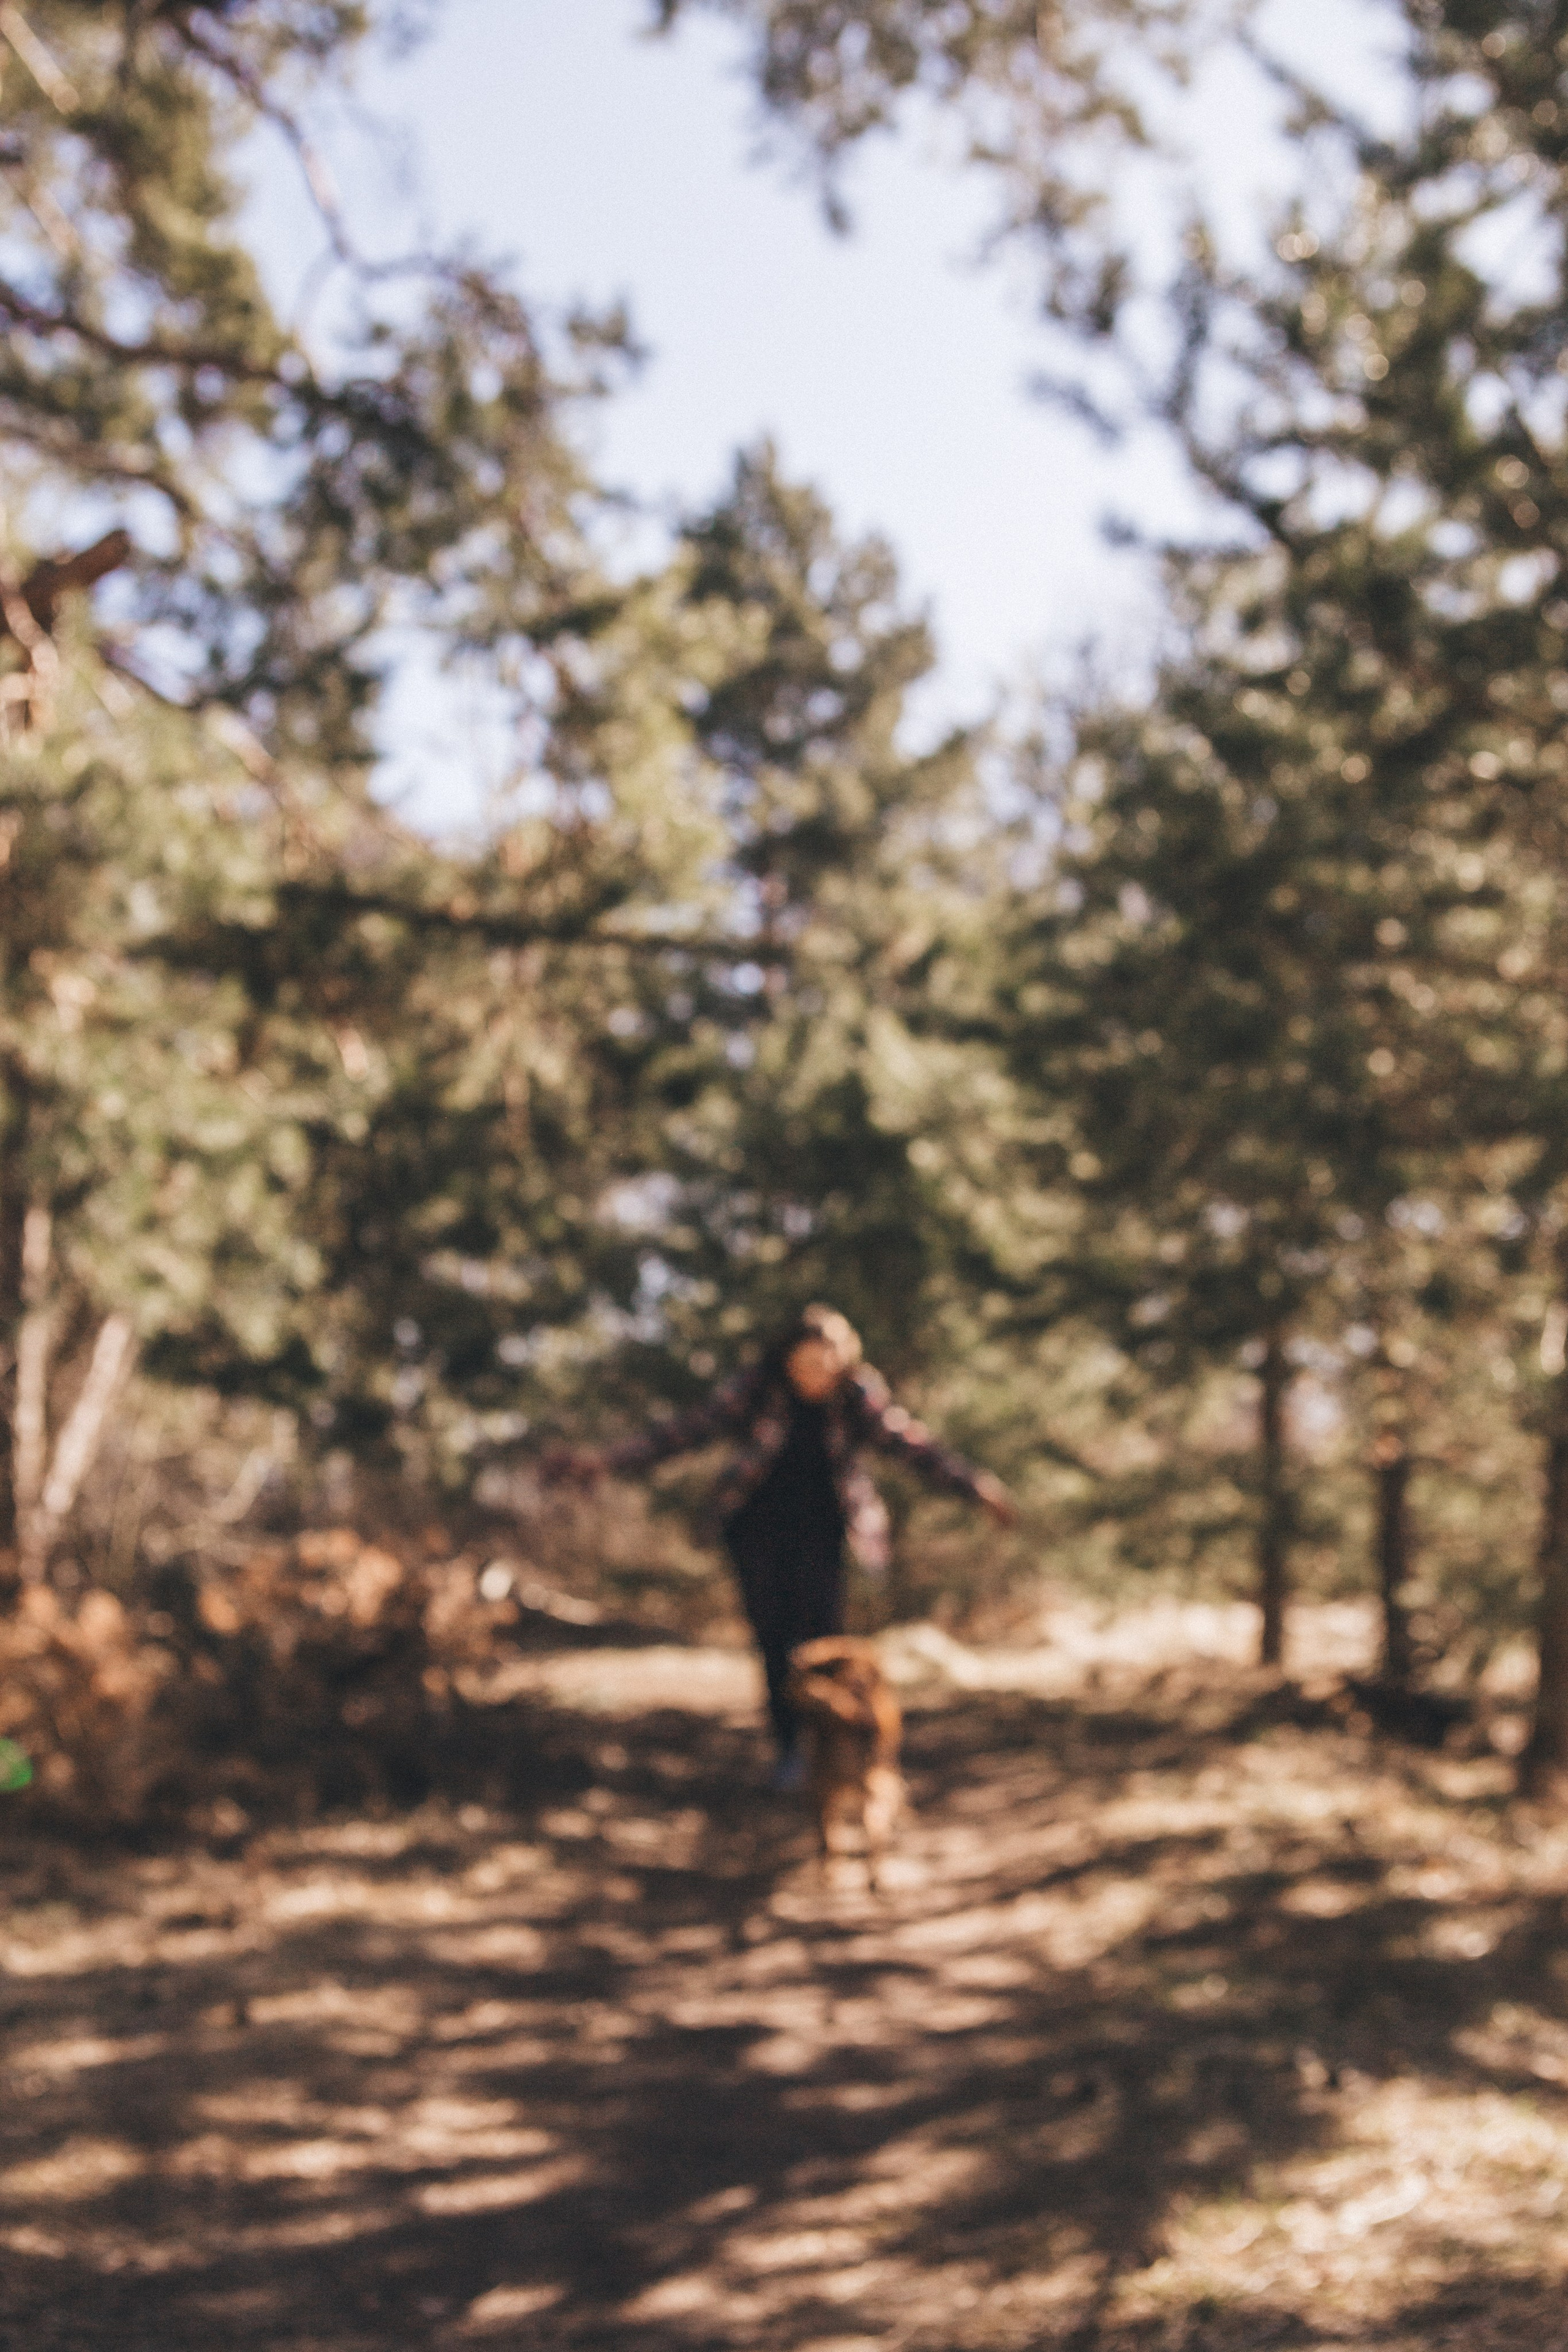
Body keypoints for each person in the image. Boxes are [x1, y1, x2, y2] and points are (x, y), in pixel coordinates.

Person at [545, 1306, 1016, 1785]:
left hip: (825, 1532)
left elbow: (912, 1445)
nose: (817, 1376)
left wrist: (975, 1486)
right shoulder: (756, 1387)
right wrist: (604, 1460)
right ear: (787, 1360)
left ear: (843, 1362)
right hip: (756, 1531)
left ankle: (835, 1747)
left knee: (825, 1639)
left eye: (827, 1366)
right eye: (806, 1365)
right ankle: (790, 1750)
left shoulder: (857, 1395)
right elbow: (685, 1431)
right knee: (774, 1638)